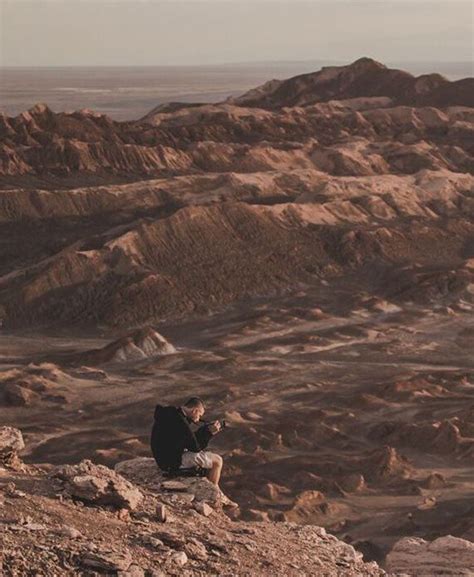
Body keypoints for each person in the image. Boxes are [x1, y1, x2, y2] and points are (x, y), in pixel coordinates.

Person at [150, 397, 224, 486]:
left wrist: (204, 431)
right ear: (195, 411)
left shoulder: (171, 413)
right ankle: (213, 492)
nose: (198, 419)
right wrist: (209, 433)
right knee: (217, 461)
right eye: (199, 415)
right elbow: (196, 448)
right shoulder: (180, 421)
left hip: (163, 459)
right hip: (172, 462)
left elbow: (187, 440)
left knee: (207, 458)